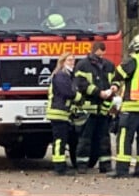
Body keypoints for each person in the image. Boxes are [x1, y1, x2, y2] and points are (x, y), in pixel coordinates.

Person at [75, 41, 117, 174]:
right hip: (88, 109)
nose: (101, 56)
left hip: (103, 110)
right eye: (99, 53)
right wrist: (98, 92)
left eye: (103, 53)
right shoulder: (83, 65)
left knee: (104, 139)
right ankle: (82, 165)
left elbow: (115, 79)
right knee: (85, 139)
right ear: (94, 51)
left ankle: (105, 165)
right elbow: (81, 84)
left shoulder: (108, 65)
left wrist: (115, 86)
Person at [46, 52, 81, 175]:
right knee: (59, 141)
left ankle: (61, 166)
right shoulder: (61, 75)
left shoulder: (67, 75)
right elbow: (68, 92)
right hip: (58, 112)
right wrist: (78, 96)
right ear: (63, 62)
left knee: (62, 140)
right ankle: (59, 168)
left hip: (63, 113)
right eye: (69, 60)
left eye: (73, 60)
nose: (72, 62)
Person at [112, 34, 139, 177]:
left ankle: (122, 170)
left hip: (131, 107)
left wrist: (115, 84)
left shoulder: (133, 61)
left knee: (124, 138)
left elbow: (118, 73)